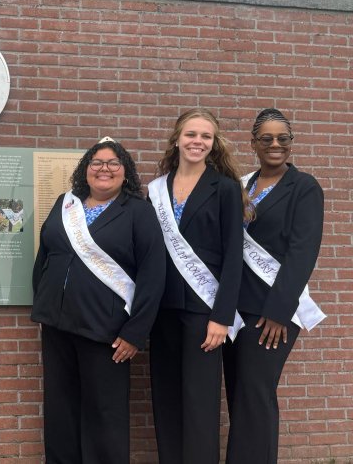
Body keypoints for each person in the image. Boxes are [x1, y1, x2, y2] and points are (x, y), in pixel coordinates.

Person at [31, 137, 166, 463]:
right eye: (96, 163)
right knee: (60, 409)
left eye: (112, 164)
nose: (104, 169)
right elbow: (45, 256)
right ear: (86, 170)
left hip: (107, 331)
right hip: (57, 325)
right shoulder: (66, 203)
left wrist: (136, 332)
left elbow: (153, 274)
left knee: (104, 414)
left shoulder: (137, 211)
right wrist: (45, 299)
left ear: (125, 172)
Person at [222, 109, 325, 464]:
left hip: (272, 312)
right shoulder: (243, 185)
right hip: (237, 309)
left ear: (291, 143)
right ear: (253, 144)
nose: (275, 144)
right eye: (266, 138)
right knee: (240, 393)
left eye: (282, 138)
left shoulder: (305, 187)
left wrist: (279, 312)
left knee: (255, 392)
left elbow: (303, 252)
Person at [147, 108, 249, 464]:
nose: (197, 142)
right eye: (191, 134)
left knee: (200, 404)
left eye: (205, 136)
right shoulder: (157, 190)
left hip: (203, 312)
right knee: (166, 400)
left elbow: (233, 257)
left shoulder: (223, 188)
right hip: (161, 311)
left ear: (213, 143)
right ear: (177, 138)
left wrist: (222, 317)